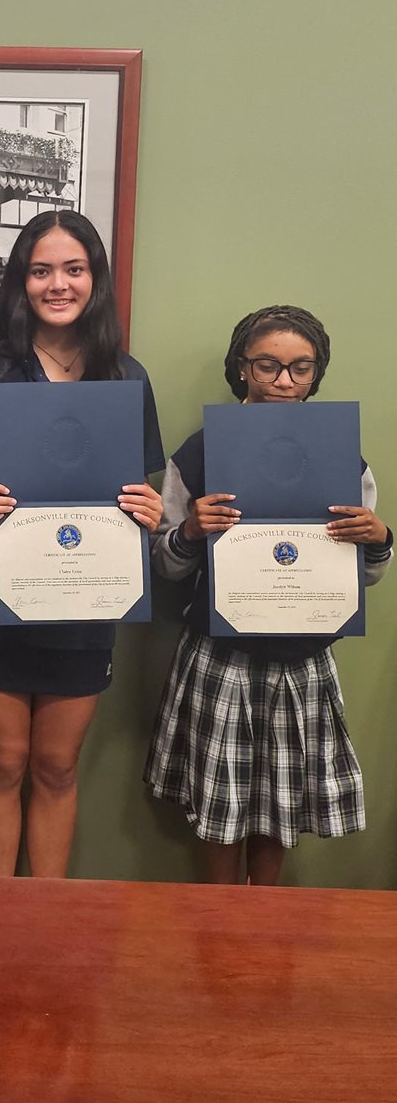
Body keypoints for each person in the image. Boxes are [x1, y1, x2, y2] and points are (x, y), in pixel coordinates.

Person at [0, 210, 164, 877]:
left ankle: (46, 919)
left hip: (86, 602)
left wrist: (151, 510)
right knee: (4, 760)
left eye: (74, 269)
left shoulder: (126, 376)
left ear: (94, 279)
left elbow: (142, 492)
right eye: (41, 270)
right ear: (21, 281)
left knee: (57, 765)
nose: (57, 284)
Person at [144, 305, 393, 885]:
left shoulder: (343, 456)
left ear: (316, 373)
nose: (285, 381)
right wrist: (188, 532)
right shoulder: (201, 452)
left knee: (279, 809)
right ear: (242, 368)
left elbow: (367, 576)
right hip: (221, 655)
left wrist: (379, 541)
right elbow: (166, 566)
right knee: (219, 806)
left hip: (302, 659)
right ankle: (221, 924)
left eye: (301, 369)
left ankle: (264, 920)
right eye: (268, 366)